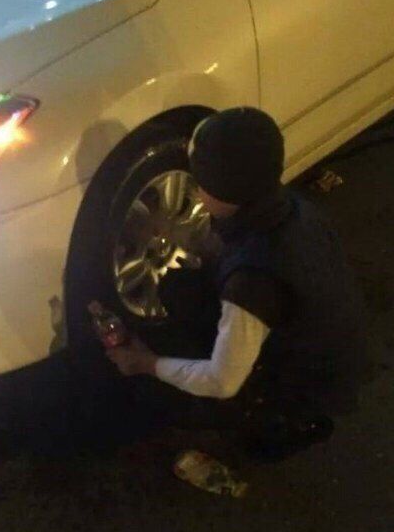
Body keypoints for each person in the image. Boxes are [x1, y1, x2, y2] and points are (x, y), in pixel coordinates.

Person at [109, 107, 368, 460]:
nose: (197, 193)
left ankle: (282, 426)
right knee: (180, 288)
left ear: (221, 191)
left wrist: (145, 363)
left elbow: (222, 381)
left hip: (309, 387)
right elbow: (231, 250)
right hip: (327, 347)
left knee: (158, 398)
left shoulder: (252, 284)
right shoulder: (292, 208)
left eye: (201, 184)